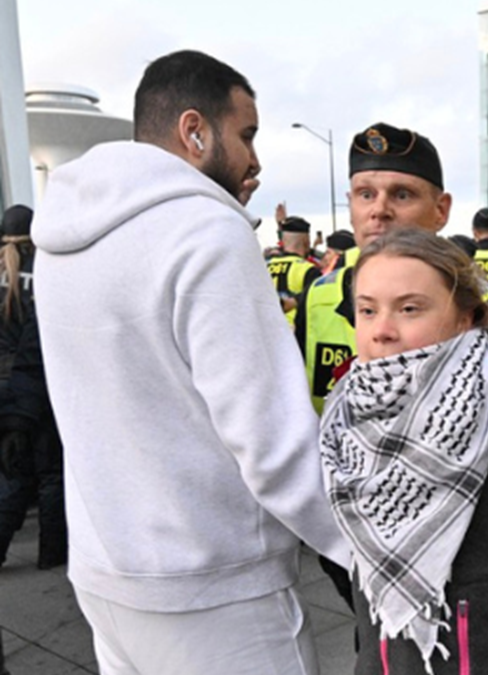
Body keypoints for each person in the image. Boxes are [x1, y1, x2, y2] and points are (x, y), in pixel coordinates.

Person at [31, 50, 351, 675]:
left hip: (106, 574)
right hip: (216, 589)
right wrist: (374, 551)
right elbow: (274, 443)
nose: (256, 159)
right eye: (247, 134)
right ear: (194, 130)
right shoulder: (206, 231)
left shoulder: (59, 240)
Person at [321, 228, 488, 675]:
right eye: (367, 310)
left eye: (410, 309)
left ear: (467, 316)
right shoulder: (345, 414)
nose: (382, 331)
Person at [294, 122, 488, 415]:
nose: (379, 210)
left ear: (441, 210)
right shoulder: (318, 296)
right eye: (365, 194)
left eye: (402, 195)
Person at [0, 204, 66, 571]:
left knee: (11, 472)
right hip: (32, 385)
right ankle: (52, 555)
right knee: (48, 472)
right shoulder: (41, 273)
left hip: (4, 384)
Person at [266, 215, 321, 324]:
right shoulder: (308, 270)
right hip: (294, 334)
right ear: (306, 242)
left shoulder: (265, 267)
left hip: (267, 332)